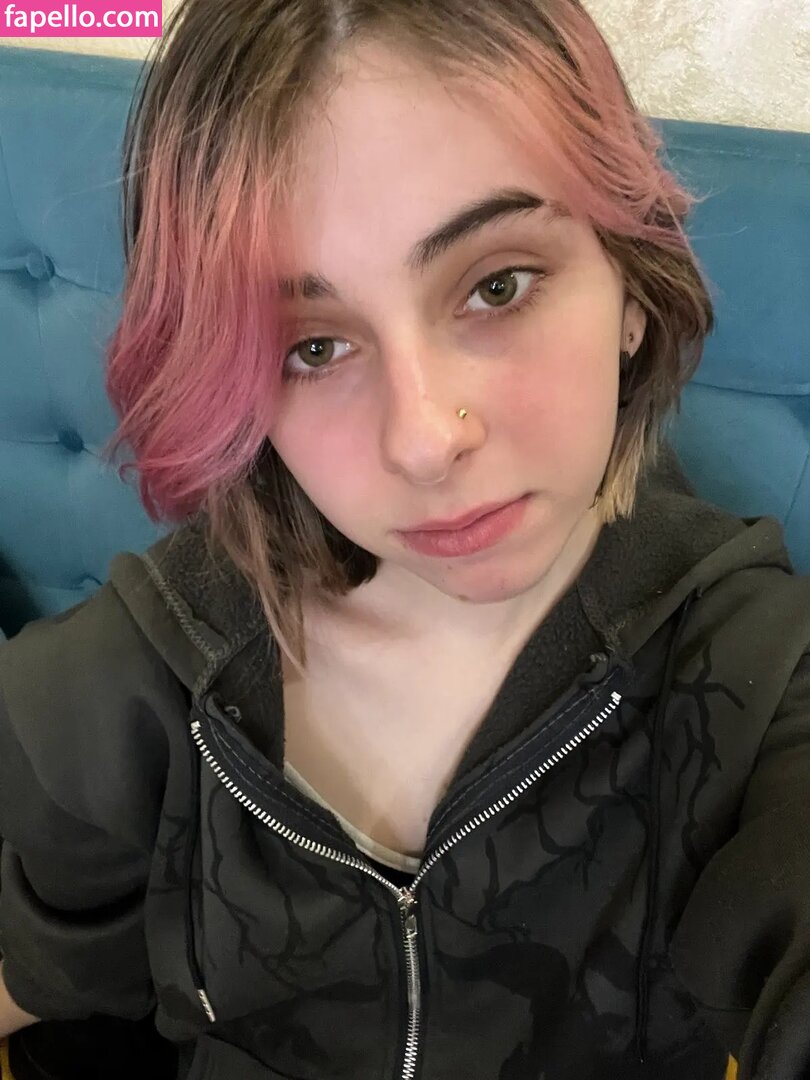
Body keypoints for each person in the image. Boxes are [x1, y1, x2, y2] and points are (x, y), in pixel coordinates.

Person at [1, 0, 809, 1077]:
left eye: (497, 286)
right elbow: (47, 974)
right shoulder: (141, 677)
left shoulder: (753, 677)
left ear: (631, 285)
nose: (425, 440)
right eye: (313, 347)